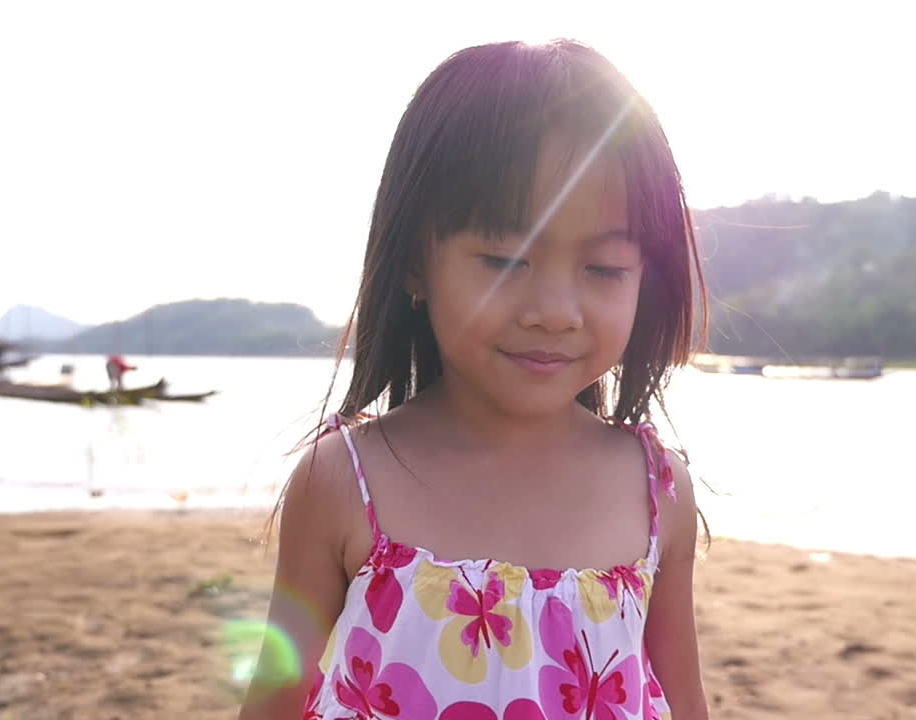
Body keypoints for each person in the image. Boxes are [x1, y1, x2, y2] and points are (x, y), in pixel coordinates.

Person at [240, 40, 709, 720]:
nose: (554, 313)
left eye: (605, 269)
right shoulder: (344, 481)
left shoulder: (657, 490)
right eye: (503, 259)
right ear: (413, 266)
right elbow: (272, 702)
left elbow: (683, 700)